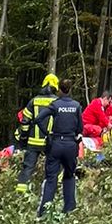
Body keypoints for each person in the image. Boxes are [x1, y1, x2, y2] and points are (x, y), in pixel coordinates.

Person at [37, 78, 83, 216]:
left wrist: (46, 133)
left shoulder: (55, 105)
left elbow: (39, 118)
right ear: (70, 89)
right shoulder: (76, 106)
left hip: (56, 143)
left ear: (59, 89)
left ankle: (44, 212)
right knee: (69, 177)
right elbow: (80, 127)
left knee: (51, 178)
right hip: (70, 145)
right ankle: (69, 210)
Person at [16, 73, 60, 194]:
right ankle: (48, 194)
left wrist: (23, 137)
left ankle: (20, 194)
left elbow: (25, 121)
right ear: (55, 87)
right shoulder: (57, 102)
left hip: (33, 141)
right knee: (52, 168)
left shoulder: (34, 101)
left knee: (27, 168)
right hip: (50, 141)